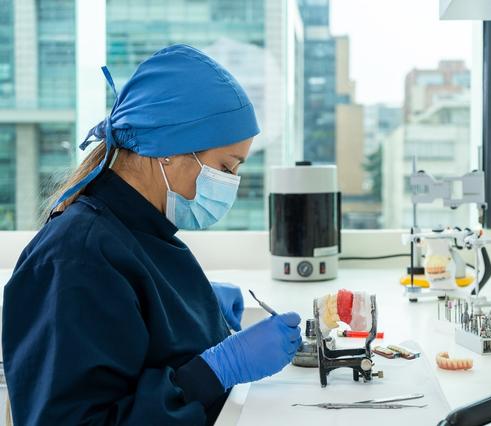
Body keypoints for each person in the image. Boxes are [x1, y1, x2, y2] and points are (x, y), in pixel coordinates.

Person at [2, 44, 302, 426]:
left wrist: (192, 310)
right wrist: (219, 368)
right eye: (225, 168)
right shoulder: (75, 257)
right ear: (169, 152)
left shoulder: (142, 229)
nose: (231, 184)